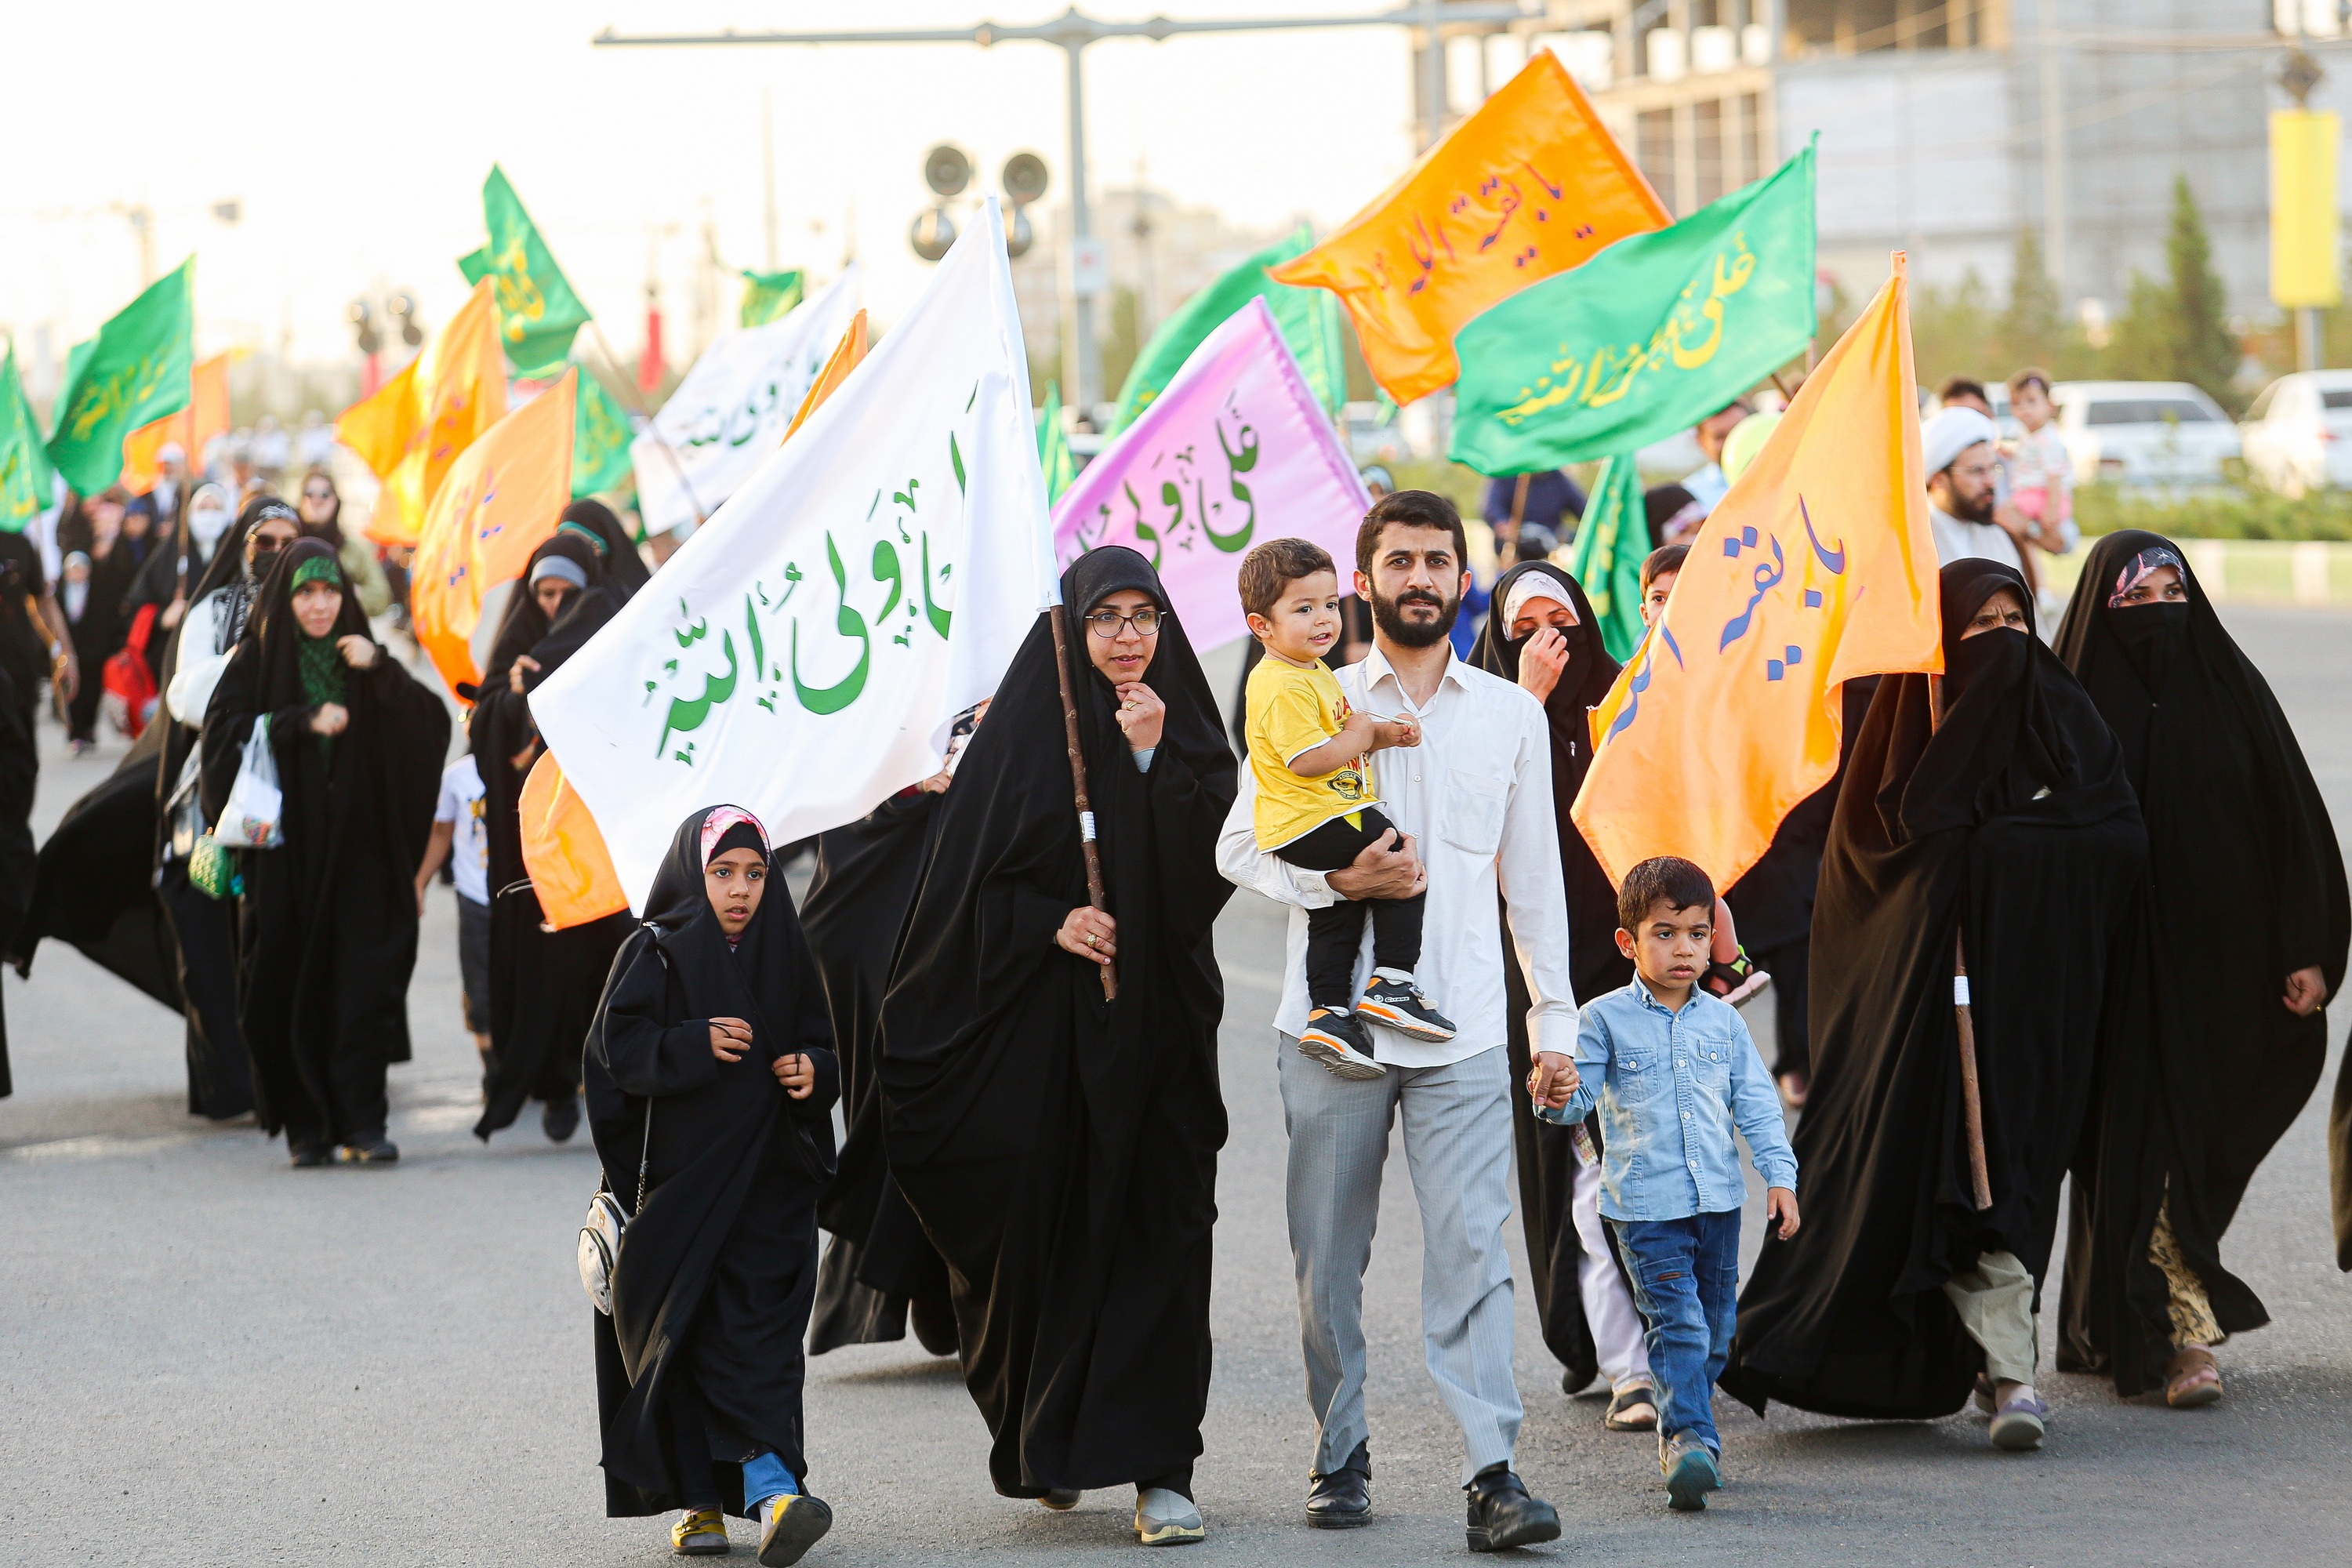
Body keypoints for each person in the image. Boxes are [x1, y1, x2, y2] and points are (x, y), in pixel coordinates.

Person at [1721, 561, 2147, 1452]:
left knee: (2017, 1174)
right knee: (1945, 1177)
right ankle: (2009, 1373)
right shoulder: (1898, 752)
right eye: (1978, 625)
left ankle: (2003, 1365)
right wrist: (1943, 853)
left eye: (2014, 619)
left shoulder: (2066, 722)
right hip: (1923, 1020)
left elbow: (2115, 833)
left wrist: (2003, 846)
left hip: (2035, 1006)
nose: (2003, 642)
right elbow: (1868, 885)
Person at [1216, 492, 1570, 1548]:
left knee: (1474, 1249)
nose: (1420, 578)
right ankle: (1340, 1452)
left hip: (1462, 1031)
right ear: (1363, 582)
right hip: (1333, 1037)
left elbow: (1537, 888)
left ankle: (1492, 1473)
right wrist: (1341, 887)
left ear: (1466, 579)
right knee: (1327, 1259)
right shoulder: (1303, 694)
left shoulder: (1510, 714)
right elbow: (1237, 846)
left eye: (1439, 561)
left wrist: (1553, 1025)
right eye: (1400, 561)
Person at [880, 546, 1235, 1547]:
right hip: (1046, 1051)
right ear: (1071, 630)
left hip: (1159, 1036)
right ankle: (1056, 1433)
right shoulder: (1033, 735)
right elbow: (964, 894)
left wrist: (1154, 761)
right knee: (1052, 1235)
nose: (1128, 636)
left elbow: (1214, 870)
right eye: (1105, 618)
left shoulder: (1186, 725)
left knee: (1164, 1229)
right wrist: (1054, 920)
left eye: (1145, 616)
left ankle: (1164, 1468)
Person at [2053, 532, 2349, 1409]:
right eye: (2134, 602)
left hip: (2223, 975)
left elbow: (2294, 821)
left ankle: (2121, 1315)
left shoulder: (2231, 692)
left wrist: (2308, 947)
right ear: (2100, 613)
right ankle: (2180, 1332)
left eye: (2171, 595)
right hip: (2110, 978)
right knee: (2140, 1150)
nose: (2157, 616)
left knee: (2197, 1143)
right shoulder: (2067, 704)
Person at [586, 805, 840, 1567]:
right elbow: (611, 1054)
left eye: (756, 873)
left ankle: (772, 1489)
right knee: (687, 1341)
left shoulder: (788, 951)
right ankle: (718, 1500)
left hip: (767, 1193)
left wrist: (813, 1071)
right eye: (724, 871)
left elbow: (823, 1040)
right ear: (695, 870)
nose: (740, 889)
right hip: (682, 1197)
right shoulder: (655, 950)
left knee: (758, 1340)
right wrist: (689, 1045)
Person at [1534, 856, 1798, 1511]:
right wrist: (1552, 1091)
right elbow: (1576, 1107)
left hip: (1718, 1205)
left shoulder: (1724, 1022)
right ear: (1628, 941)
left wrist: (1780, 1177)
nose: (1684, 949)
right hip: (1644, 1208)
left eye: (1698, 934)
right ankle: (1687, 1442)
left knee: (1715, 1332)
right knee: (1677, 1324)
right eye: (1665, 933)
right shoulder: (1601, 1020)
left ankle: (1689, 1415)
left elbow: (1759, 1106)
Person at [1465, 560, 1657, 1430]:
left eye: (1564, 617)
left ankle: (1652, 1345)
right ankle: (1612, 1346)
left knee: (1639, 1154)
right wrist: (1526, 704)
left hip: (1630, 962)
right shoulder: (1480, 708)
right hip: (1534, 967)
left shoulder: (1625, 697)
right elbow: (1467, 820)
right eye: (1526, 623)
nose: (1550, 637)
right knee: (1575, 1154)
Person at [198, 539, 449, 1165]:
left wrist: (381, 669)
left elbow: (429, 727)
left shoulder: (362, 657)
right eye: (306, 592)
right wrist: (297, 723)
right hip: (286, 860)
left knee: (361, 985)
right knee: (284, 982)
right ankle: (305, 1124)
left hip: (361, 856)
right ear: (288, 597)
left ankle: (363, 1122)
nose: (318, 606)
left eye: (329, 591)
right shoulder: (257, 660)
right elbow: (220, 744)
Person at [1240, 536, 1451, 1076]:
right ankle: (1394, 981)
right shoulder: (1280, 684)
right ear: (1261, 626)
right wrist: (1362, 737)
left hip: (1308, 821)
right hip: (1315, 817)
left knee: (1336, 911)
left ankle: (1329, 1013)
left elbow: (1343, 733)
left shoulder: (1309, 674)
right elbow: (1310, 760)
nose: (1324, 619)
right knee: (1402, 860)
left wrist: (1383, 733)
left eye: (1330, 604)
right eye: (1303, 609)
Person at [470, 533, 630, 1143]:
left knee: (609, 963)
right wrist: (512, 699)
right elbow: (483, 722)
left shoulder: (609, 637)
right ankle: (556, 1086)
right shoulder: (518, 646)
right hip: (540, 844)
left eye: (569, 595)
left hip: (599, 836)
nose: (557, 607)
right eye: (545, 594)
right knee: (550, 968)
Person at [804, 769, 960, 1360]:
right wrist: (911, 785)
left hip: (976, 902)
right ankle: (924, 1279)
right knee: (899, 1098)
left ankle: (966, 1284)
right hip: (877, 906)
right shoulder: (869, 690)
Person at [416, 752, 493, 1079]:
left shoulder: (530, 762)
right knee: (479, 987)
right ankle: (491, 1066)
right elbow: (441, 832)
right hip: (475, 894)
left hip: (523, 895)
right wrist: (420, 882)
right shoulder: (458, 775)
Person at [1922, 406, 2027, 574]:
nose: (1990, 482)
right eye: (1977, 471)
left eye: (1993, 468)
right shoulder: (1912, 542)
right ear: (1939, 480)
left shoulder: (1998, 537)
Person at [294, 470, 393, 618]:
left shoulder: (353, 549)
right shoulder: (287, 545)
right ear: (301, 501)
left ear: (336, 501)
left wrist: (345, 594)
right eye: (309, 494)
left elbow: (381, 597)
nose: (317, 500)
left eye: (325, 494)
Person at [1481, 469, 1585, 564]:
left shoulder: (1557, 479)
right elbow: (1491, 508)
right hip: (1519, 548)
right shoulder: (1506, 476)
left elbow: (1584, 510)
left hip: (1551, 549)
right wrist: (1504, 524)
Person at [1679, 401, 1751, 516]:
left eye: (1739, 430)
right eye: (1720, 437)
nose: (1733, 441)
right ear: (1701, 442)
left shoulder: (1785, 470)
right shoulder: (1691, 497)